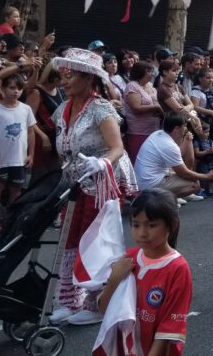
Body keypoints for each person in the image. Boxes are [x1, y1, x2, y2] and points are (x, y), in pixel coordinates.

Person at [49, 48, 138, 326]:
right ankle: (68, 300)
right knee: (70, 239)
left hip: (100, 184)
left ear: (88, 79)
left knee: (95, 242)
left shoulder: (101, 108)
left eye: (71, 75)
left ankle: (97, 302)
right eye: (63, 75)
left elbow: (117, 147)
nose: (64, 80)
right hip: (74, 184)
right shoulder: (63, 108)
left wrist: (101, 164)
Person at [99, 190, 192, 356]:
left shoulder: (177, 268)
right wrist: (114, 279)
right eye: (136, 225)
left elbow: (169, 326)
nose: (142, 233)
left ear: (172, 225)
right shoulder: (129, 259)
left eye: (151, 225)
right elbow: (104, 309)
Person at [134, 112, 213, 204]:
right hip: (150, 184)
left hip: (146, 181)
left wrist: (188, 140)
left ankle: (163, 198)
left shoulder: (158, 134)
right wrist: (206, 176)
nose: (186, 128)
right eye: (184, 126)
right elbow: (184, 172)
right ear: (177, 128)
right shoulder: (168, 145)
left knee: (189, 178)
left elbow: (182, 156)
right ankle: (161, 200)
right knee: (194, 184)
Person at [0, 74, 36, 205]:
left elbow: (31, 132)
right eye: (12, 87)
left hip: (19, 160)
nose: (16, 91)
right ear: (2, 88)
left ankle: (11, 221)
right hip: (1, 160)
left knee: (16, 192)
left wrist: (31, 154)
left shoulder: (26, 109)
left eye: (19, 88)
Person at [25, 62, 65, 178]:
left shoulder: (58, 90)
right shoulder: (36, 92)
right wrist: (43, 136)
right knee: (40, 174)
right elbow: (29, 118)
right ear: (55, 79)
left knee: (54, 173)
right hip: (40, 138)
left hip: (55, 136)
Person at [123, 60, 162, 163]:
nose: (152, 74)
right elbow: (136, 108)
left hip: (154, 130)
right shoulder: (132, 86)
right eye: (149, 71)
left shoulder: (149, 85)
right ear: (141, 72)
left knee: (152, 161)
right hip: (138, 131)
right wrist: (156, 107)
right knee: (139, 161)